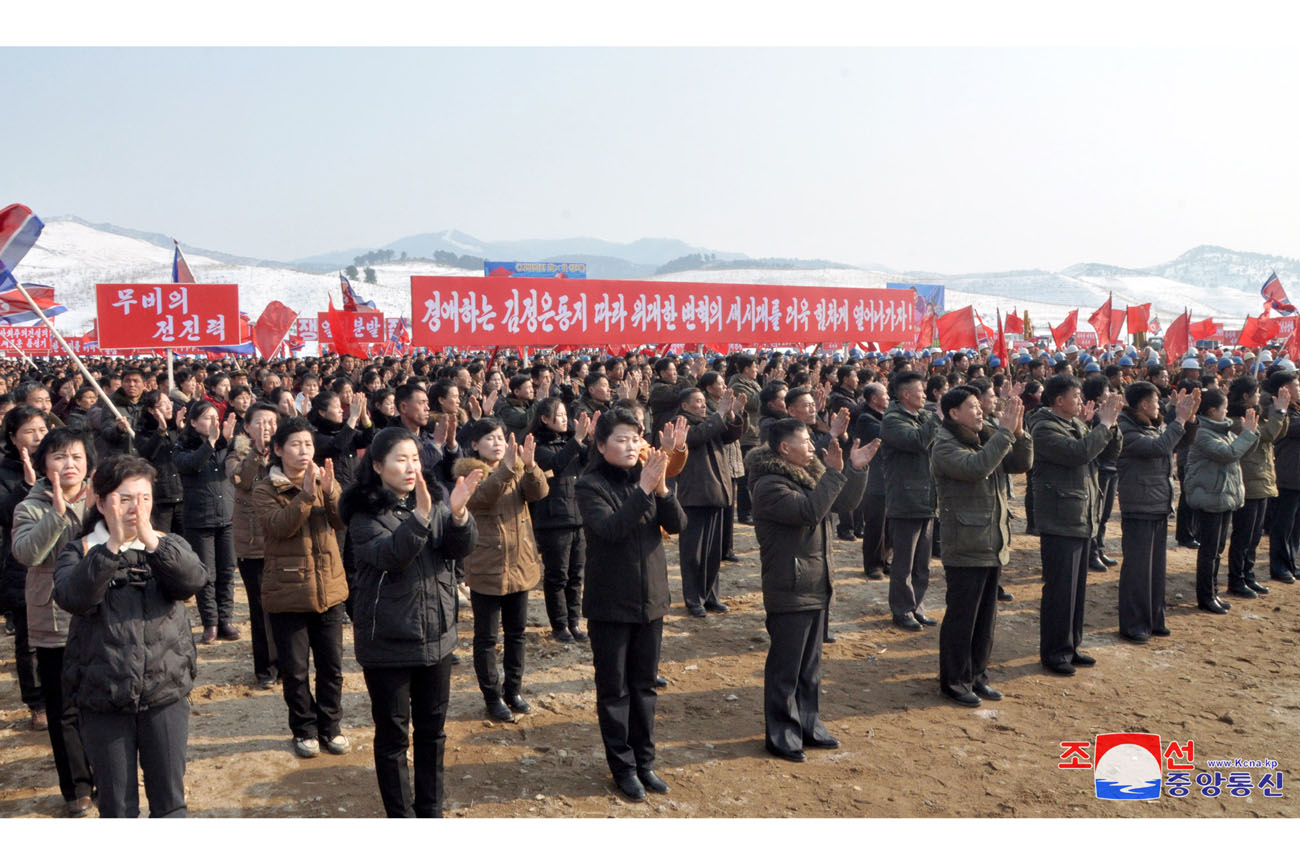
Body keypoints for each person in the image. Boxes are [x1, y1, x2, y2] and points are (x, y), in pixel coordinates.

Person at [53, 454, 206, 818]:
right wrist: (110, 550)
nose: (136, 508)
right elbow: (72, 597)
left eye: (145, 498)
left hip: (164, 694)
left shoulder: (166, 544)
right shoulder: (82, 549)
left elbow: (194, 581)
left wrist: (152, 543)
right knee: (118, 808)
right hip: (103, 698)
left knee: (171, 803)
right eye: (124, 499)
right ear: (101, 501)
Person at [343, 428, 482, 817]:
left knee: (432, 732)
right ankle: (401, 817)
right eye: (400, 459)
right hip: (388, 640)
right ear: (376, 465)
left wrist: (457, 515)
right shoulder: (363, 513)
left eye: (415, 459)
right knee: (392, 736)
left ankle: (430, 810)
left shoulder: (433, 500)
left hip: (436, 636)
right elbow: (391, 555)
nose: (410, 467)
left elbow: (458, 550)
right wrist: (421, 516)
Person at [576, 407, 685, 801]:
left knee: (644, 688)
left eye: (636, 438)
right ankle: (622, 767)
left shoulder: (650, 479)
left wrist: (661, 490)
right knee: (614, 691)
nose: (631, 445)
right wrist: (643, 489)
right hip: (610, 604)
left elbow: (677, 526)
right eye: (621, 439)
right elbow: (610, 529)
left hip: (651, 599)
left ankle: (646, 762)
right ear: (601, 444)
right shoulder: (590, 485)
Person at [748, 419, 873, 760]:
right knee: (786, 667)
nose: (811, 446)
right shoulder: (769, 485)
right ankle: (781, 733)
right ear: (784, 448)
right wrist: (833, 473)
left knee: (810, 666)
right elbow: (809, 511)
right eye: (804, 441)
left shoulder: (811, 473)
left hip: (816, 580)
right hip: (790, 584)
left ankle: (808, 723)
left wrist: (854, 470)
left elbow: (843, 503)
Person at [254, 416, 350, 758]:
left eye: (308, 444)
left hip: (328, 587)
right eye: (295, 444)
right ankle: (305, 729)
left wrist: (330, 491)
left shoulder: (325, 480)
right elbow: (278, 527)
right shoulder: (266, 488)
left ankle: (331, 726)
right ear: (278, 449)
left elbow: (341, 522)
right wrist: (307, 496)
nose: (303, 451)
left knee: (332, 666)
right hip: (288, 590)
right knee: (295, 670)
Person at [12, 427, 96, 816]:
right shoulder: (29, 507)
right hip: (55, 621)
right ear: (44, 464)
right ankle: (77, 788)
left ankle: (105, 773)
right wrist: (58, 515)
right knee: (64, 710)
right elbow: (28, 554)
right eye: (59, 457)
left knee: (101, 701)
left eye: (76, 456)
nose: (69, 464)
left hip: (101, 616)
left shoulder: (102, 499)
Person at [931, 387, 1032, 706]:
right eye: (972, 407)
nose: (980, 411)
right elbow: (977, 469)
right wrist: (1003, 433)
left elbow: (1021, 463)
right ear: (952, 414)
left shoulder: (988, 435)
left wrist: (1019, 432)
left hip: (992, 538)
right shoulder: (944, 446)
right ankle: (955, 680)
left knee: (985, 618)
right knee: (963, 617)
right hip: (965, 542)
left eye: (980, 406)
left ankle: (977, 675)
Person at [452, 417, 549, 722]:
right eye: (490, 438)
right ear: (475, 445)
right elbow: (484, 497)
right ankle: (492, 696)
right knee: (486, 638)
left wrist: (530, 467)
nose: (498, 443)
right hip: (487, 567)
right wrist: (508, 468)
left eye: (501, 437)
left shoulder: (516, 468)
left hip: (519, 562)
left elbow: (539, 493)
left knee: (517, 634)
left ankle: (514, 690)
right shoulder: (469, 473)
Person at [1032, 374, 1122, 675]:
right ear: (1059, 400)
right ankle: (1055, 652)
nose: (1081, 401)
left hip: (1081, 515)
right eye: (1076, 396)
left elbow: (1107, 452)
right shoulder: (1044, 427)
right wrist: (1103, 426)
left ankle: (1072, 645)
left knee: (1076, 590)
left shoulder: (1077, 424)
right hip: (1060, 518)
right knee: (1060, 590)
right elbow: (1078, 453)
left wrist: (1112, 424)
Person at [1116, 382, 1197, 642]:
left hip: (1157, 503)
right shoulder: (1125, 429)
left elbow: (1181, 441)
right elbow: (1158, 448)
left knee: (1155, 569)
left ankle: (1154, 618)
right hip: (1139, 504)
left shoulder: (1153, 424)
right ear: (1142, 404)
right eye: (1155, 400)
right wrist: (1179, 419)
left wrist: (1190, 419)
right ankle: (1134, 623)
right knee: (1137, 569)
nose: (1159, 405)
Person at [1184, 389, 1259, 614]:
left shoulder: (1222, 429)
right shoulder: (1203, 433)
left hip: (1223, 497)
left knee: (1217, 549)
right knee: (1209, 550)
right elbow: (1228, 453)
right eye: (1223, 407)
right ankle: (1206, 596)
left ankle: (1213, 592)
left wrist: (1251, 433)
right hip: (1210, 497)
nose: (1227, 411)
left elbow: (1241, 450)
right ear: (1212, 410)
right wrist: (1247, 435)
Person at [673, 386, 746, 617]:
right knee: (693, 552)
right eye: (697, 401)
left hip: (716, 492)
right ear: (685, 405)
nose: (703, 404)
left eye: (704, 401)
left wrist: (732, 416)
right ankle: (693, 599)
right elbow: (695, 437)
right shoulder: (680, 421)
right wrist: (719, 415)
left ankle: (711, 596)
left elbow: (729, 436)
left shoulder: (710, 421)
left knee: (714, 551)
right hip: (694, 495)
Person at [526, 397, 593, 642]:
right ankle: (559, 625)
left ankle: (574, 622)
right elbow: (556, 465)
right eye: (560, 415)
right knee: (558, 575)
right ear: (544, 419)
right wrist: (576, 441)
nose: (565, 419)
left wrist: (591, 439)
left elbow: (590, 461)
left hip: (578, 515)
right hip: (553, 518)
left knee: (577, 575)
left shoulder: (569, 442)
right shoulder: (537, 445)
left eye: (566, 415)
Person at [0, 405, 49, 730]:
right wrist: (26, 488)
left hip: (59, 560)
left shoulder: (57, 462)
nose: (38, 437)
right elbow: (4, 515)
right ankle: (37, 703)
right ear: (13, 436)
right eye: (30, 431)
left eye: (42, 430)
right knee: (29, 640)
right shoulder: (4, 470)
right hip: (20, 564)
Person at [174, 400, 240, 644]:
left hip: (226, 516)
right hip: (199, 519)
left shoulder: (225, 445)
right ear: (193, 422)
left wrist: (225, 442)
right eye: (207, 418)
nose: (214, 422)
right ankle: (210, 622)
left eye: (216, 417)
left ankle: (226, 620)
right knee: (206, 574)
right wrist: (211, 443)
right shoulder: (183, 446)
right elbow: (191, 465)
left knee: (226, 571)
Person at [880, 371, 940, 631]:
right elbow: (918, 441)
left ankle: (918, 606)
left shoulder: (922, 416)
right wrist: (937, 417)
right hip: (906, 499)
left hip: (927, 498)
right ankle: (902, 609)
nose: (925, 395)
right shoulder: (892, 421)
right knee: (904, 563)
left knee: (922, 563)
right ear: (905, 394)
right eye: (920, 391)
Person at [226, 402, 280, 688]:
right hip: (253, 543)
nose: (266, 428)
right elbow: (243, 481)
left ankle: (288, 661)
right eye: (260, 423)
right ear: (247, 427)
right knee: (261, 609)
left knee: (286, 604)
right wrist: (257, 451)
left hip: (284, 537)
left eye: (271, 422)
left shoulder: (286, 451)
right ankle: (266, 668)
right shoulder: (237, 453)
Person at [1226, 376, 1290, 598]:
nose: (1258, 397)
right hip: (1249, 481)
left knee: (1253, 537)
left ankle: (1248, 575)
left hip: (1261, 480)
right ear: (1245, 396)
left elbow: (1276, 434)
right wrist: (1280, 412)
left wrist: (1283, 413)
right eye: (1255, 393)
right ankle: (1236, 579)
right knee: (1243, 535)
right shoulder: (1236, 420)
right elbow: (1264, 436)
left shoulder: (1254, 415)